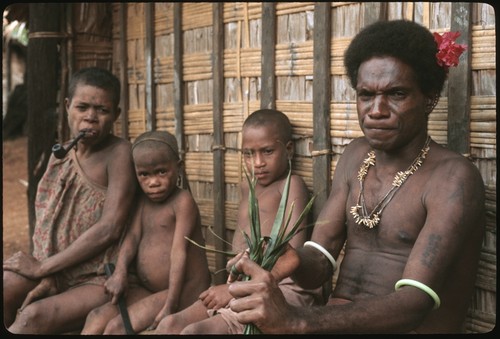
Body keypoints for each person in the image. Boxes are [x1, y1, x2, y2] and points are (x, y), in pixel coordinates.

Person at [225, 20, 485, 334]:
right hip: (333, 323)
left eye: (396, 94)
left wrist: (298, 320)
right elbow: (320, 262)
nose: (376, 110)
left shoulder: (453, 178)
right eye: (366, 95)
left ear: (428, 97)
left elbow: (415, 302)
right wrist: (291, 257)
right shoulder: (355, 156)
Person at [154, 109, 325, 334]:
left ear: (288, 150)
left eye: (267, 151)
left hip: (281, 289)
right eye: (248, 154)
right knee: (169, 325)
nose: (258, 163)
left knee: (195, 332)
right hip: (242, 284)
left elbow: (289, 257)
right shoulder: (248, 187)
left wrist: (234, 288)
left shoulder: (291, 185)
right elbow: (240, 245)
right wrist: (232, 281)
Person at [3, 67, 137, 334]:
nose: (90, 117)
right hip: (55, 267)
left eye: (102, 110)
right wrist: (47, 269)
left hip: (98, 276)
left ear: (116, 115)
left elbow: (110, 228)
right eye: (82, 107)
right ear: (67, 106)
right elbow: (47, 218)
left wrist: (43, 267)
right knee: (5, 285)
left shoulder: (119, 154)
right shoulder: (61, 154)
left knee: (33, 316)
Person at [81, 130, 211, 334]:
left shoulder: (182, 202)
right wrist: (120, 271)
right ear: (136, 174)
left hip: (184, 291)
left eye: (161, 172)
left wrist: (170, 305)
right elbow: (131, 239)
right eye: (144, 175)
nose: (153, 182)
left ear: (178, 168)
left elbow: (179, 253)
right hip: (150, 290)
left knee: (116, 328)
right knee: (95, 317)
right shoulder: (142, 202)